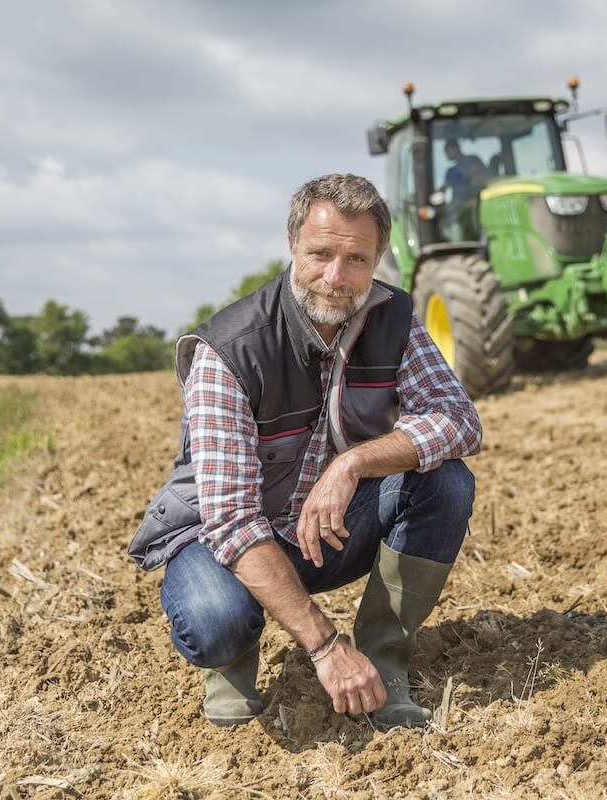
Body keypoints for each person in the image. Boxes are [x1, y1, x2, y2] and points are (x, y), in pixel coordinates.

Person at [129, 173, 482, 729]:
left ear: (378, 260)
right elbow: (233, 523)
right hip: (223, 541)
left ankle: (385, 664)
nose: (336, 278)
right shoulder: (230, 350)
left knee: (445, 480)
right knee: (215, 620)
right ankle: (232, 664)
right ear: (293, 245)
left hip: (329, 528)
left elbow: (459, 419)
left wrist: (353, 463)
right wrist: (324, 647)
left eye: (357, 260)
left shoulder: (392, 320)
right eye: (320, 254)